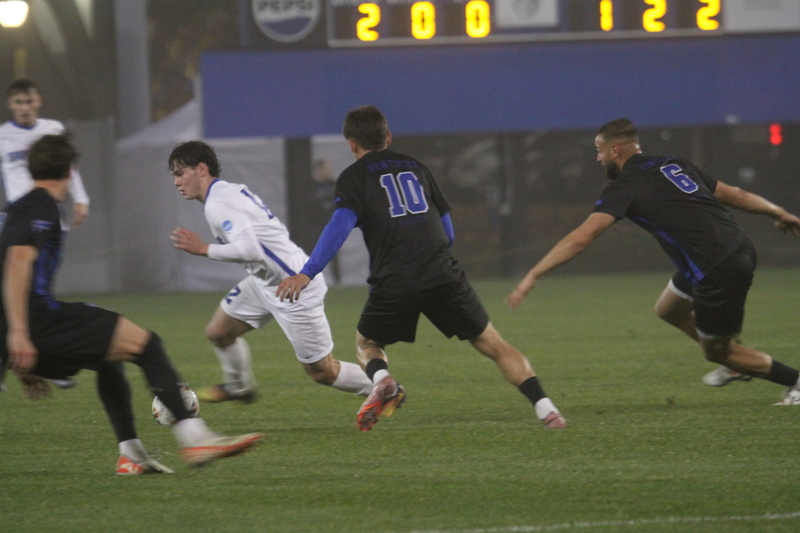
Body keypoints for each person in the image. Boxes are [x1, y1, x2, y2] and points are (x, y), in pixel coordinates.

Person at [276, 105, 566, 431]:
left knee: (367, 344)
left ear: (351, 143)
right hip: (442, 271)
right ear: (387, 136)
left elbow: (338, 227)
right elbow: (449, 233)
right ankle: (547, 409)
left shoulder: (352, 177)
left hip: (394, 279)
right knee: (494, 345)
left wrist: (308, 271)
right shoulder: (416, 167)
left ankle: (383, 380)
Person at [0, 133, 262, 474]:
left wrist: (17, 349)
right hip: (35, 320)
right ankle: (195, 438)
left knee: (108, 355)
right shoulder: (42, 206)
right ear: (71, 170)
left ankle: (132, 455)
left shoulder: (16, 208)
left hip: (19, 328)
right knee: (148, 344)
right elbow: (16, 263)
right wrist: (20, 333)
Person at [506, 118, 800, 405]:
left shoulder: (626, 185)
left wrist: (535, 272)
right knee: (669, 309)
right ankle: (734, 359)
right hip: (729, 249)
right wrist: (777, 212)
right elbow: (735, 195)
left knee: (717, 352)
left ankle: (790, 379)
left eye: (599, 151)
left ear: (615, 151)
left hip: (716, 266)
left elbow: (580, 239)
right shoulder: (674, 164)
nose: (597, 158)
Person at [168, 141, 374, 404]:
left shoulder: (219, 203)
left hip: (294, 287)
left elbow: (251, 250)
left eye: (179, 173)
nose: (176, 182)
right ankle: (240, 387)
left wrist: (203, 249)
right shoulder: (226, 192)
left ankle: (383, 386)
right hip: (266, 282)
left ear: (201, 169)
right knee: (219, 332)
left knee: (323, 372)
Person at [0, 78, 91, 392]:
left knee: (39, 295)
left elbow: (71, 168)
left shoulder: (51, 129)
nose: (24, 108)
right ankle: (30, 360)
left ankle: (46, 362)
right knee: (19, 292)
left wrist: (81, 198)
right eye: (18, 103)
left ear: (38, 102)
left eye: (29, 102)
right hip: (17, 220)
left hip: (50, 219)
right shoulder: (3, 136)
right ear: (11, 105)